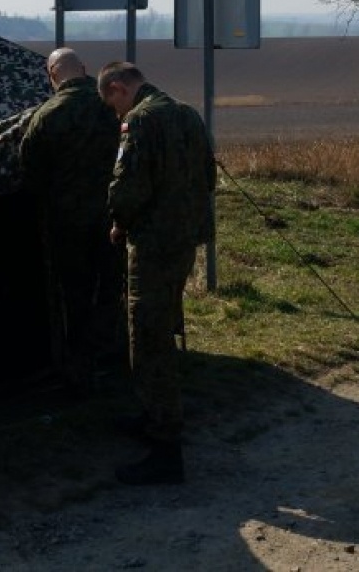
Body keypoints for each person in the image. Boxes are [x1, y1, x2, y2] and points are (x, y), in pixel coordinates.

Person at [99, 60, 215, 486]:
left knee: (148, 338)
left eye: (112, 105)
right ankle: (151, 417)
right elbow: (207, 176)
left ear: (117, 89)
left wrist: (118, 221)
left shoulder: (139, 121)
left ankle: (165, 448)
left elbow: (127, 186)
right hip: (184, 240)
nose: (115, 114)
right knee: (161, 326)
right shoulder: (188, 114)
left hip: (151, 245)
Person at [19, 48, 122, 395]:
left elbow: (30, 173)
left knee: (75, 293)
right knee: (111, 286)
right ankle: (118, 356)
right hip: (113, 216)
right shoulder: (114, 107)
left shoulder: (47, 115)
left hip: (69, 220)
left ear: (51, 76)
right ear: (84, 69)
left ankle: (80, 369)